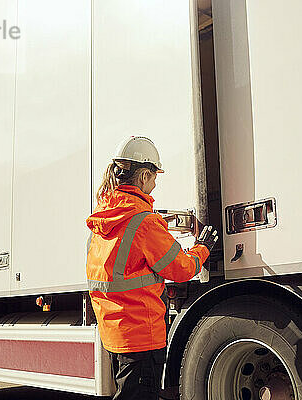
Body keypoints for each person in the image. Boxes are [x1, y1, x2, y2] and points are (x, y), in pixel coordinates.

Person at [86, 136, 218, 400]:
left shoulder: (103, 219)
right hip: (142, 336)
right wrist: (202, 247)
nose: (155, 184)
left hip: (117, 334)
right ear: (144, 176)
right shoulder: (144, 222)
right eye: (155, 176)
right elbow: (181, 269)